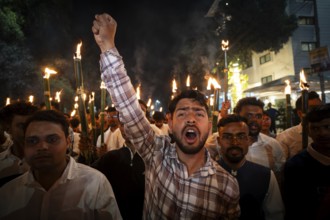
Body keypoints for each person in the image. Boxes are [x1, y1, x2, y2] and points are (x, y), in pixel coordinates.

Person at [92, 13, 240, 219]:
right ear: (169, 123)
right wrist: (108, 45)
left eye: (199, 113)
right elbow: (128, 106)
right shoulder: (156, 153)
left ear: (209, 125)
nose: (190, 118)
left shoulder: (227, 185)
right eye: (182, 113)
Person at [0, 110, 122, 219]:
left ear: (68, 142)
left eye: (52, 139)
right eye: (33, 141)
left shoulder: (94, 184)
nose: (42, 147)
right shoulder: (8, 194)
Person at [217, 114, 284, 220]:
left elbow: (275, 214)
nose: (235, 142)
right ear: (218, 141)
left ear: (248, 140)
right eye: (227, 137)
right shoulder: (207, 173)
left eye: (241, 136)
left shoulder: (266, 175)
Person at [283, 104, 330, 220]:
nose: (322, 133)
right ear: (308, 131)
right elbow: (294, 208)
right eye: (315, 128)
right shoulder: (296, 166)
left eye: (327, 127)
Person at [92, 122, 145, 220]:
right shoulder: (111, 157)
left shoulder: (151, 156)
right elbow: (89, 176)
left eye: (131, 123)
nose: (126, 128)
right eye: (122, 124)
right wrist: (85, 153)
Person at [233, 97, 285, 182]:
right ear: (237, 115)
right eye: (249, 115)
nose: (254, 120)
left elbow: (279, 177)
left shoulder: (273, 145)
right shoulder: (221, 143)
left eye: (258, 116)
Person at [0, 101, 39, 187]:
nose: (28, 131)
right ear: (8, 128)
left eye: (31, 125)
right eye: (22, 126)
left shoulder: (46, 161)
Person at [276, 91, 322, 160]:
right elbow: (280, 166)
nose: (319, 112)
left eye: (320, 108)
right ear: (300, 113)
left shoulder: (326, 133)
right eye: (313, 109)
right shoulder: (285, 137)